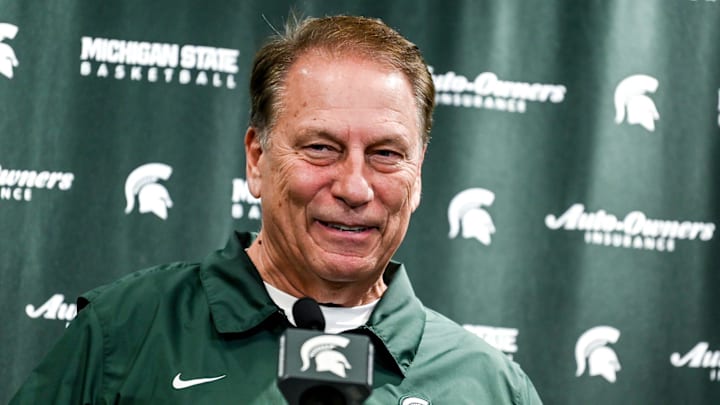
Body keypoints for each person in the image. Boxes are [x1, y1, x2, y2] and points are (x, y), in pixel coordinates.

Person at [11, 15, 542, 404]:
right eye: (321, 148)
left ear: (418, 173)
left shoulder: (491, 386)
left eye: (385, 154)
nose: (355, 187)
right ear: (258, 158)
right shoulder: (125, 334)